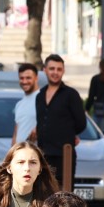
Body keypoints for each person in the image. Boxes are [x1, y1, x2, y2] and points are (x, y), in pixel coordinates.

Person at [34, 54, 85, 184]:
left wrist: (68, 134)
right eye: (52, 69)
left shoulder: (71, 95)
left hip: (64, 155)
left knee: (64, 198)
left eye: (59, 69)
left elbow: (81, 123)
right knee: (44, 197)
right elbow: (41, 121)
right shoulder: (40, 95)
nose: (55, 72)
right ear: (45, 70)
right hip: (43, 155)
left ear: (63, 71)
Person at [10, 64, 40, 142]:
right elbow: (16, 134)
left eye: (28, 78)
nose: (24, 81)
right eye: (21, 78)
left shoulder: (43, 99)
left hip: (37, 152)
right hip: (20, 152)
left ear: (36, 78)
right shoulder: (19, 104)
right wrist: (13, 152)